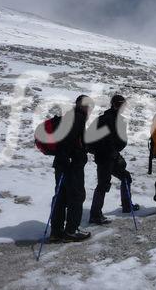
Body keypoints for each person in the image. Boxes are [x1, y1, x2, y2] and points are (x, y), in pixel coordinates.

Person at [87, 95, 139, 225]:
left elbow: (119, 141)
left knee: (125, 177)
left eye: (122, 105)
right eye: (119, 104)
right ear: (113, 105)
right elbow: (92, 139)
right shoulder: (105, 119)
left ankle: (127, 205)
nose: (121, 107)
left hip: (112, 156)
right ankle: (95, 214)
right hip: (105, 158)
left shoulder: (115, 120)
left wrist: (116, 152)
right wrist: (107, 151)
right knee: (103, 184)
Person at [49, 95, 94, 243]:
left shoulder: (69, 116)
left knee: (60, 196)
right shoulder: (78, 118)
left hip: (62, 164)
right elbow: (68, 141)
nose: (90, 110)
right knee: (76, 196)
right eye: (89, 107)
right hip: (71, 165)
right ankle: (71, 231)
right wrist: (69, 156)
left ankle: (56, 232)